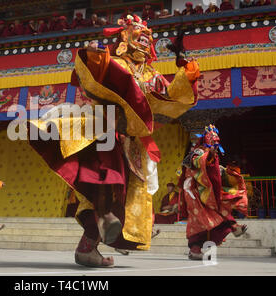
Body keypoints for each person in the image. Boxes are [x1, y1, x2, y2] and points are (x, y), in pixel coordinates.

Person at [28, 14, 200, 267]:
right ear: (126, 37)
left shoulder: (152, 74)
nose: (144, 40)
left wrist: (186, 70)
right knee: (107, 178)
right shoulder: (116, 62)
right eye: (139, 36)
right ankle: (104, 219)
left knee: (125, 195)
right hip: (104, 129)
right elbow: (90, 78)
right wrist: (96, 58)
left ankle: (89, 247)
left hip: (132, 141)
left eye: (147, 38)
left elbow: (172, 96)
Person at [178, 125, 248, 260]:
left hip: (208, 190)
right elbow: (195, 163)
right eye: (212, 142)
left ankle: (233, 227)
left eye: (216, 142)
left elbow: (213, 172)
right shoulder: (198, 152)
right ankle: (195, 249)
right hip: (194, 192)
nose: (215, 145)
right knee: (199, 220)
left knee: (220, 208)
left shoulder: (212, 154)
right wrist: (208, 156)